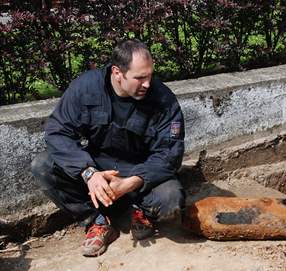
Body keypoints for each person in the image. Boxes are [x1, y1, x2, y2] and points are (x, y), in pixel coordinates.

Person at [31, 40, 185, 257]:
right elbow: (57, 132)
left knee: (171, 199)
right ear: (117, 72)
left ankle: (140, 212)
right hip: (98, 167)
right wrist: (88, 172)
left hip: (141, 170)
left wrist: (132, 181)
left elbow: (170, 153)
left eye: (150, 75)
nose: (148, 84)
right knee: (42, 166)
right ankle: (97, 221)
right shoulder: (86, 88)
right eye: (140, 77)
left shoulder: (163, 99)